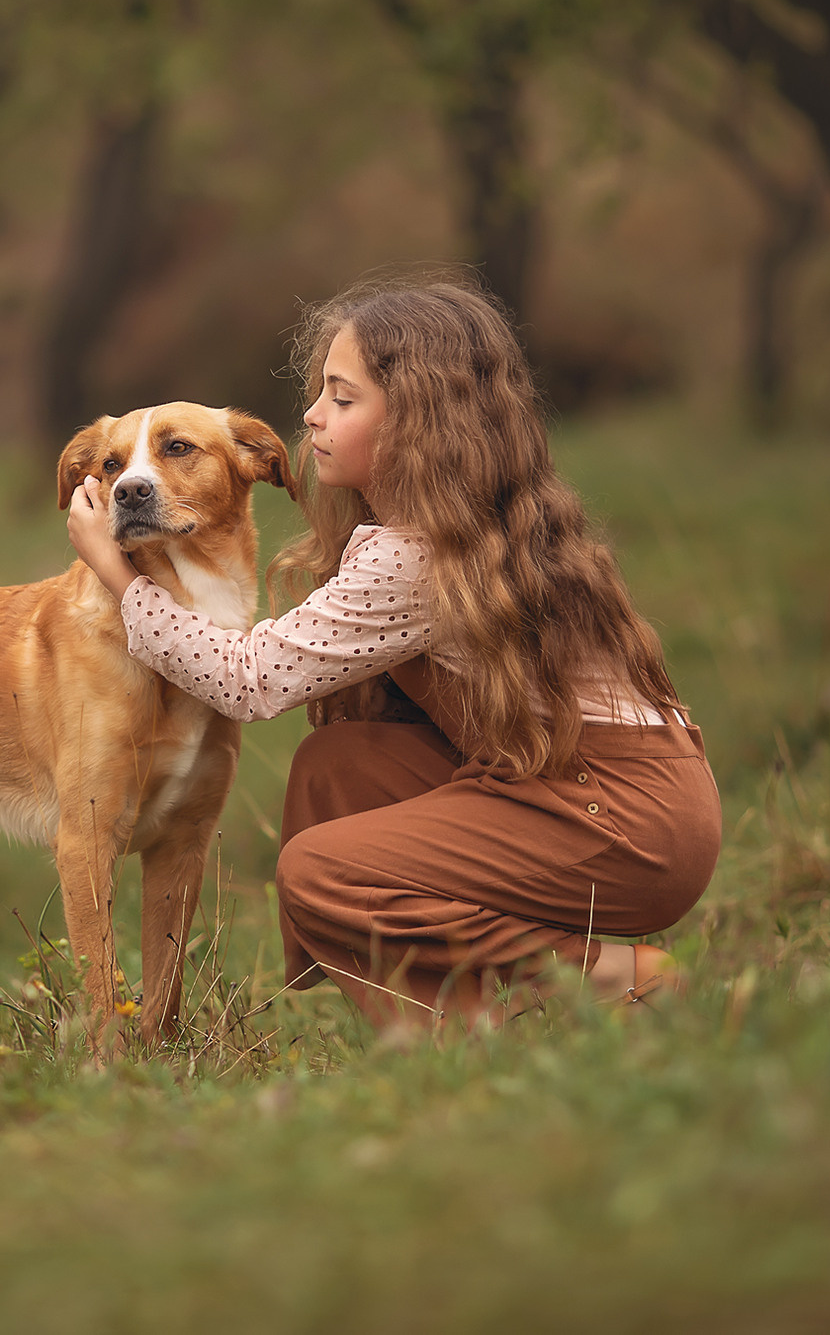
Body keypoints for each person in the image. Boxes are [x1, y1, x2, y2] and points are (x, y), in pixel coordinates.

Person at [65, 274, 720, 1030]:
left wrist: (115, 573)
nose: (311, 414)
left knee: (317, 870)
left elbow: (249, 681)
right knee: (334, 770)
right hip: (600, 789)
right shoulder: (469, 520)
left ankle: (603, 979)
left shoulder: (413, 556)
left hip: (626, 822)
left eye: (342, 399)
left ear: (416, 422)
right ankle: (445, 1025)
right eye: (320, 393)